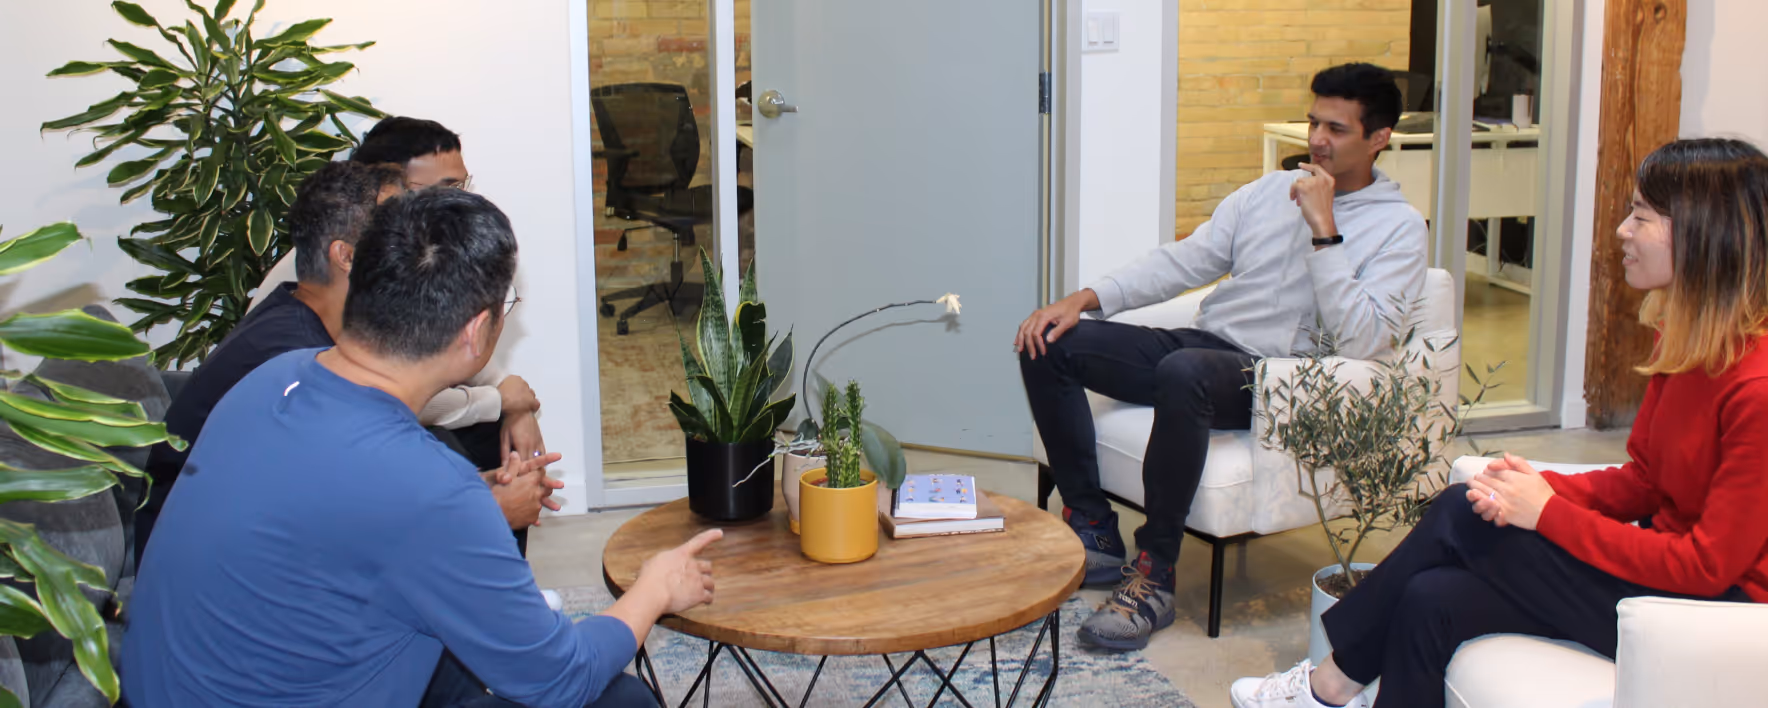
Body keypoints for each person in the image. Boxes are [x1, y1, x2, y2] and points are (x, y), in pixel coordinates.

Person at [122, 188, 715, 707]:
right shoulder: (427, 488)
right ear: (477, 330)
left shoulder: (271, 377)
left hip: (177, 687)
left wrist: (464, 510)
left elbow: (335, 519)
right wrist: (655, 588)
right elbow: (562, 679)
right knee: (617, 697)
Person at [1230, 138, 1768, 708]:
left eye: (1640, 216)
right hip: (1661, 585)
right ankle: (1332, 689)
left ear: (1703, 234)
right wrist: (1528, 488)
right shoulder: (1686, 346)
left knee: (1460, 511)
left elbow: (1707, 567)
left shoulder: (1755, 389)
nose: (1622, 231)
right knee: (1430, 597)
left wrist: (1548, 513)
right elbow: (1644, 484)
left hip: (1705, 620)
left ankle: (1327, 685)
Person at [1015, 62, 1427, 650]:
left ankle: (1153, 576)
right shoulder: (1265, 193)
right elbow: (1185, 261)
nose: (1316, 140)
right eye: (1314, 123)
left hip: (1283, 378)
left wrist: (1324, 229)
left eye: (1336, 129)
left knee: (1186, 373)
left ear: (1379, 138)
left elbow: (1364, 341)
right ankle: (1093, 527)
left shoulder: (1399, 228)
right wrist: (1085, 299)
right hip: (1208, 348)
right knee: (1048, 341)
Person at [136, 162, 560, 561]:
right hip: (212, 553)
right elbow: (344, 519)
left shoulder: (299, 314)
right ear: (347, 256)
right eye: (390, 234)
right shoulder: (297, 359)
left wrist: (477, 489)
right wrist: (486, 512)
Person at [249, 116, 540, 472]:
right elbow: (386, 392)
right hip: (308, 447)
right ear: (384, 187)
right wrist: (497, 401)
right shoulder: (334, 268)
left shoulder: (399, 253)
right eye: (446, 188)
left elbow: (456, 340)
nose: (459, 200)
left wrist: (513, 398)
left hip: (343, 424)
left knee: (489, 440)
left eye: (462, 186)